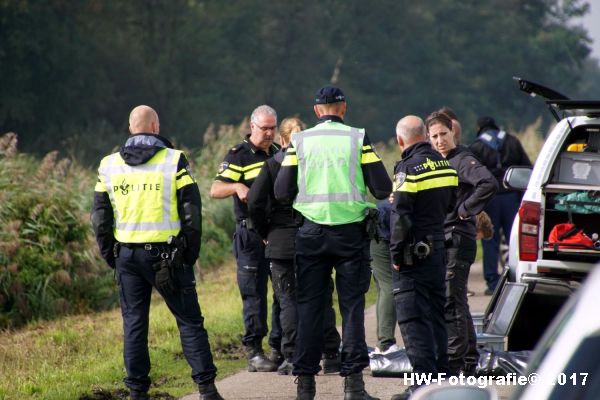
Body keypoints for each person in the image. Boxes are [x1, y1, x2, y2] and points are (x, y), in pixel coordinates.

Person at [91, 105, 223, 400]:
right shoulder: (174, 160)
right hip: (168, 257)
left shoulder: (109, 165)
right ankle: (207, 390)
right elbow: (192, 212)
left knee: (135, 325)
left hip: (127, 257)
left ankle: (138, 393)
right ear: (156, 127)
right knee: (189, 321)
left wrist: (110, 255)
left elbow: (99, 217)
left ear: (130, 129)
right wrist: (189, 255)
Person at [275, 86, 391, 400]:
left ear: (316, 112)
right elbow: (382, 189)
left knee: (310, 308)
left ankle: (306, 387)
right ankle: (353, 386)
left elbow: (282, 192)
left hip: (310, 234)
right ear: (343, 108)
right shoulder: (357, 138)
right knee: (352, 308)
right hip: (350, 235)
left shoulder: (299, 141)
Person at [247, 117, 342, 375]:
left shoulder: (272, 165)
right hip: (315, 237)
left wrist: (264, 230)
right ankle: (332, 354)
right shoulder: (317, 164)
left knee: (288, 300)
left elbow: (254, 201)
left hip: (280, 242)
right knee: (321, 296)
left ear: (282, 140)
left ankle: (292, 357)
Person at [389, 115, 457, 400]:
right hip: (438, 249)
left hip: (412, 255)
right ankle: (442, 381)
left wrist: (395, 252)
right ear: (425, 135)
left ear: (400, 140)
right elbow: (451, 203)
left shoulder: (408, 169)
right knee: (436, 316)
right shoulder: (446, 165)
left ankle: (423, 386)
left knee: (413, 319)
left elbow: (401, 216)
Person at [209, 105, 282, 372]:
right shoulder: (238, 155)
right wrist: (237, 186)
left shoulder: (278, 154)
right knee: (254, 294)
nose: (269, 133)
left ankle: (279, 346)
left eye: (273, 127)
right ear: (252, 127)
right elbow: (215, 189)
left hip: (276, 233)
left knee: (282, 293)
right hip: (250, 234)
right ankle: (254, 351)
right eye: (264, 128)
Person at [426, 111, 497, 376]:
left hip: (458, 237)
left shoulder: (462, 159)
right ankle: (468, 360)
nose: (440, 140)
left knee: (450, 302)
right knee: (457, 301)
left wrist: (465, 209)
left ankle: (454, 368)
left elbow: (488, 182)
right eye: (434, 136)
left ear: (453, 132)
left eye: (444, 134)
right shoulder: (440, 160)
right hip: (448, 237)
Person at [469, 116, 532, 294]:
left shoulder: (477, 147)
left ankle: (492, 283)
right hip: (511, 195)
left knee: (490, 239)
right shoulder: (512, 141)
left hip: (490, 199)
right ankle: (516, 278)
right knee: (515, 239)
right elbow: (527, 168)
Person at [369, 200, 399, 354]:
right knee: (389, 287)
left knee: (384, 287)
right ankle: (385, 343)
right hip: (383, 234)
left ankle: (383, 341)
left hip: (380, 231)